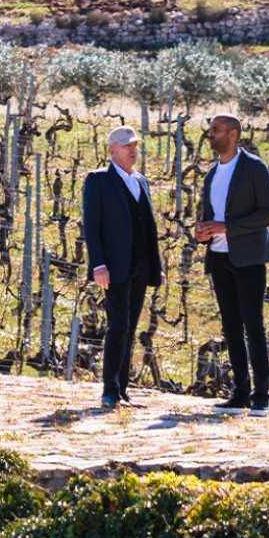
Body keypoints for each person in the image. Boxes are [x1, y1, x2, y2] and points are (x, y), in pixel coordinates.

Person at [195, 114, 269, 416]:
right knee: (230, 326)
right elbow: (210, 214)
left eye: (215, 130)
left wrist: (226, 227)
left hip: (249, 258)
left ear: (232, 134)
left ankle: (262, 395)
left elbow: (268, 213)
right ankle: (240, 392)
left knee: (253, 325)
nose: (210, 134)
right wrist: (203, 231)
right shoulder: (211, 174)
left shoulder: (254, 168)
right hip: (218, 258)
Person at [82, 124, 162, 410]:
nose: (132, 150)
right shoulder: (98, 180)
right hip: (113, 267)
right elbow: (92, 227)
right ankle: (110, 390)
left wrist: (155, 263)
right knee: (118, 325)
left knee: (130, 327)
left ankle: (123, 390)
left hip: (140, 266)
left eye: (135, 145)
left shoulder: (141, 181)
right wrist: (98, 264)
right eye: (126, 145)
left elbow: (148, 226)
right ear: (112, 149)